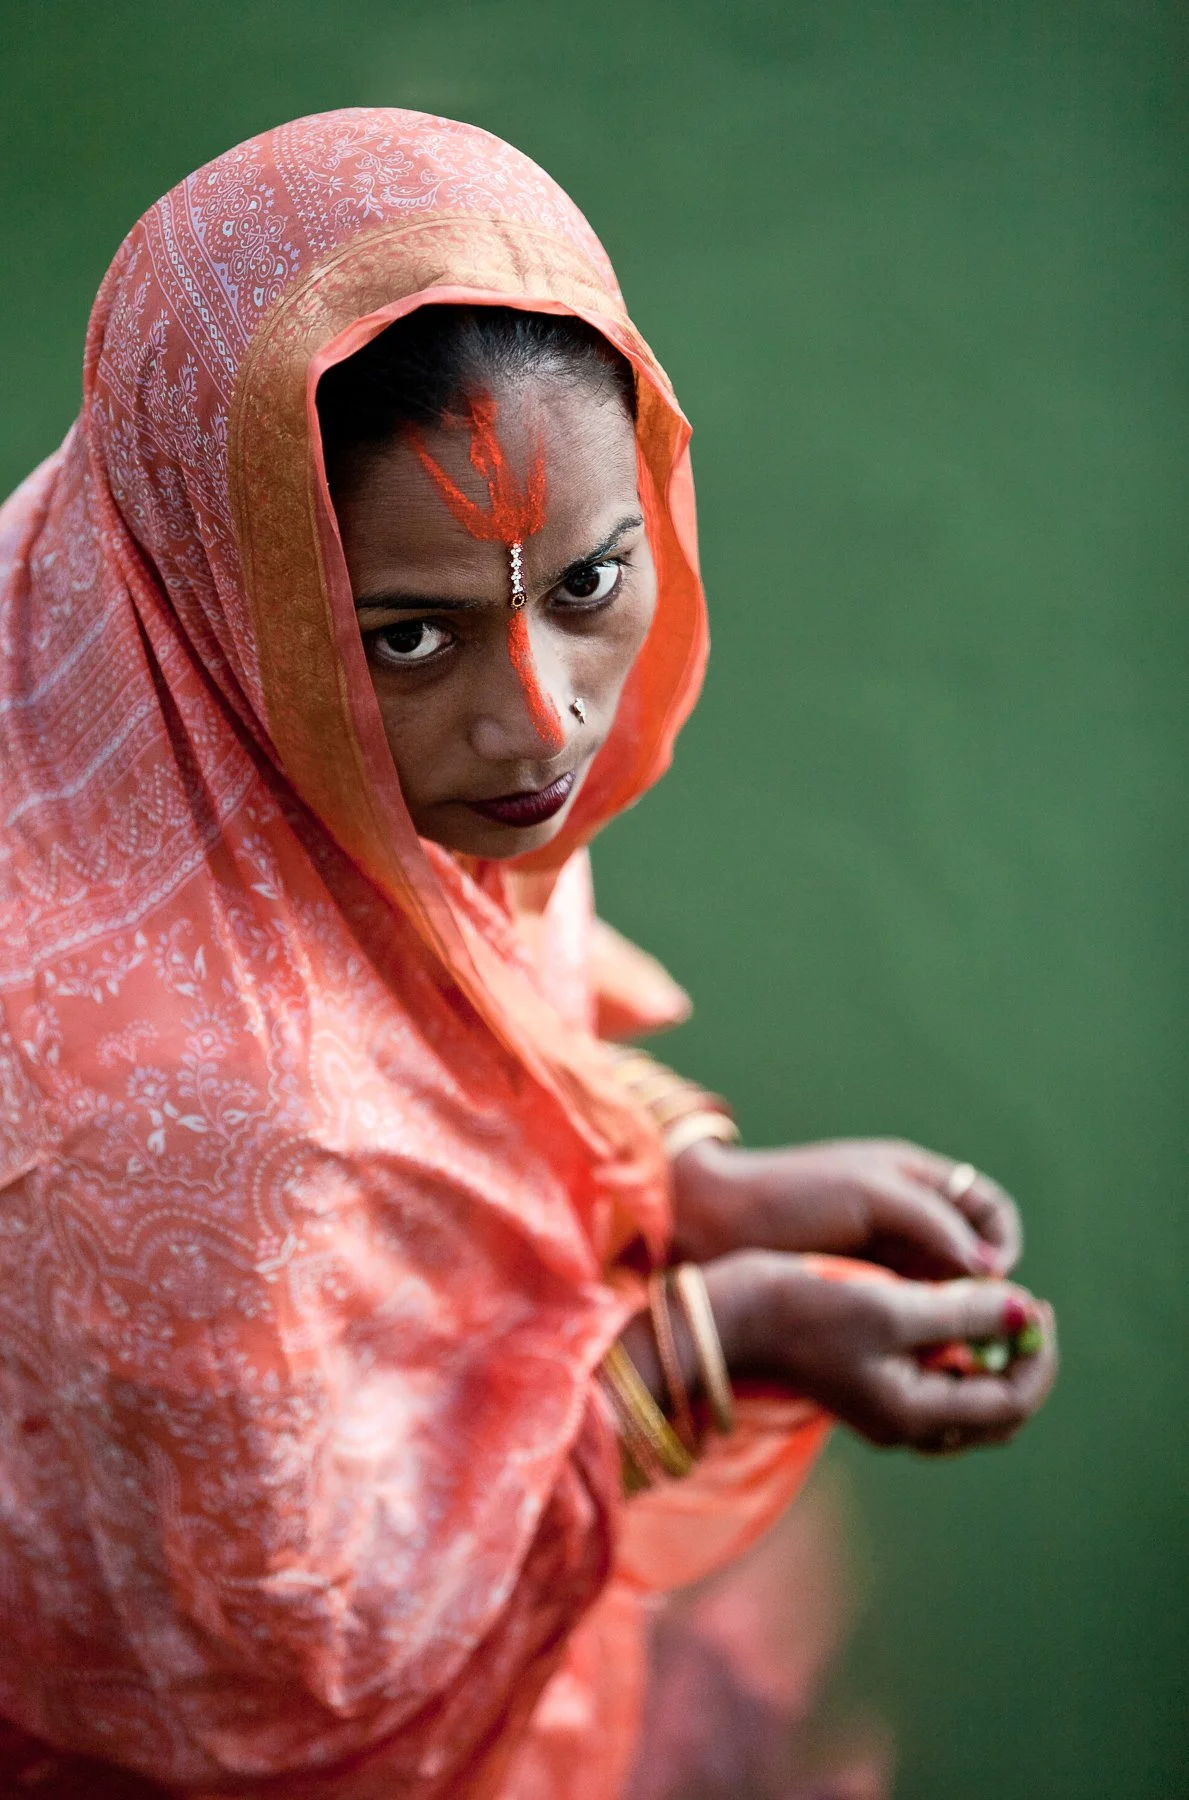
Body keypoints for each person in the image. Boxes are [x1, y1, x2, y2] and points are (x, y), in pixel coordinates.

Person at [0, 109, 1056, 1799]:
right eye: (409, 637)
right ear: (229, 578)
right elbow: (288, 1670)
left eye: (589, 580)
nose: (538, 723)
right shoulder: (192, 1129)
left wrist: (701, 1195)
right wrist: (718, 1344)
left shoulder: (98, 603)